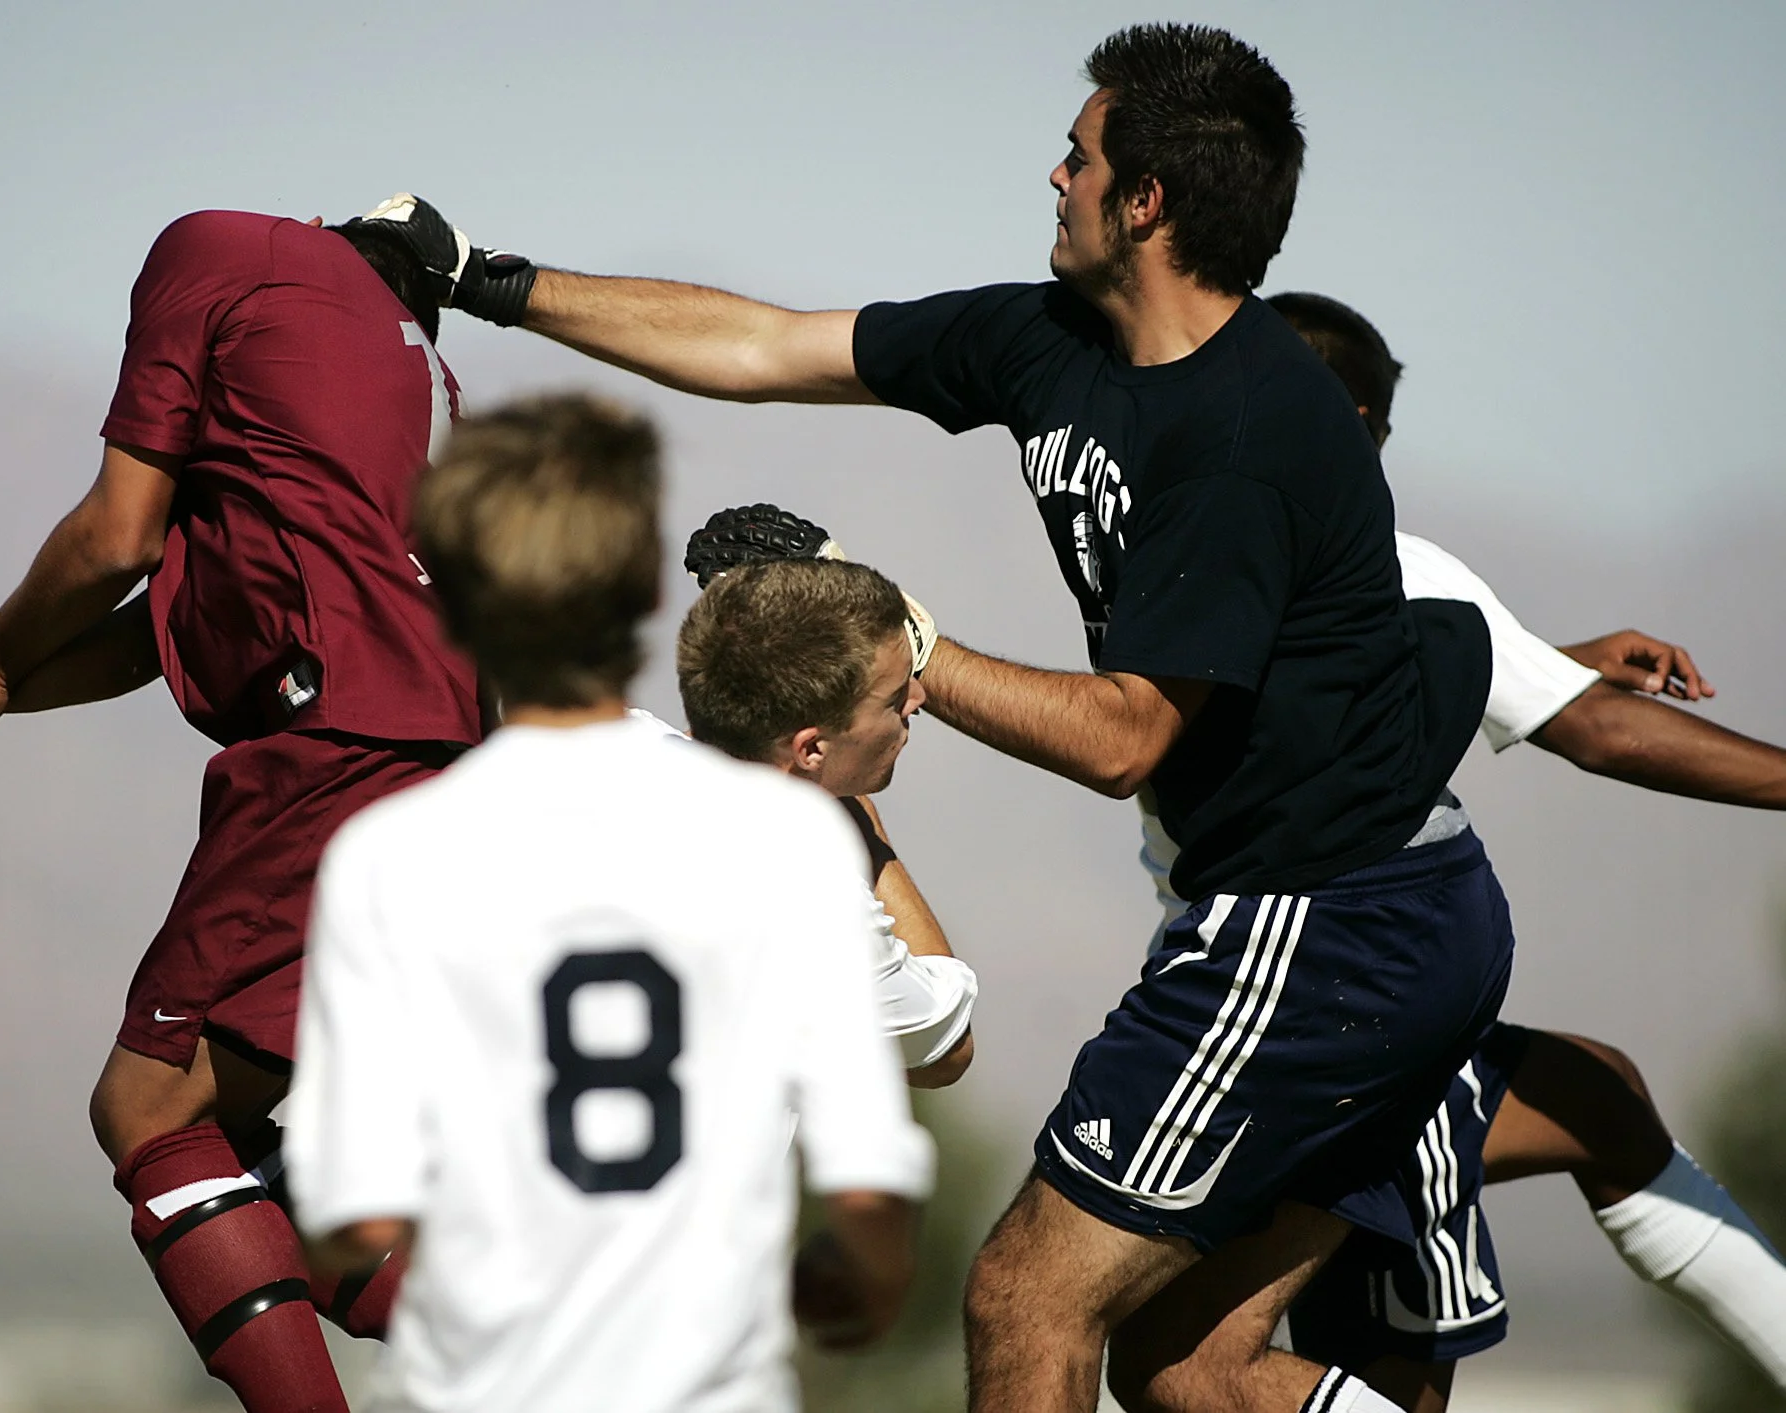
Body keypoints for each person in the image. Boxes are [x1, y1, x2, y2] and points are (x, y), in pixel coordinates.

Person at [368, 24, 1512, 1413]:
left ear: (1143, 201)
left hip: (1328, 920)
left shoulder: (1247, 429)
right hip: (1369, 912)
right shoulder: (1050, 341)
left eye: (1079, 157)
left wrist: (886, 624)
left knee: (1023, 1296)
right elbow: (765, 345)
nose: (1052, 172)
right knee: (1185, 1367)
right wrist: (485, 279)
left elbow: (1120, 739)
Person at [1105, 293, 1786, 1413]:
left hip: (1247, 990)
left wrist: (1536, 655)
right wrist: (1555, 680)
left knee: (1593, 1096)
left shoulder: (1195, 563)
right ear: (1353, 424)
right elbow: (1603, 734)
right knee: (1187, 1369)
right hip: (1336, 1018)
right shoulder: (1383, 564)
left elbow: (1328, 703)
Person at [0, 208, 480, 1413]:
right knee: (233, 1138)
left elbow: (115, 537)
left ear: (331, 235)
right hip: (442, 757)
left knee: (147, 1106)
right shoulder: (421, 379)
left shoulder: (226, 250)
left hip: (332, 744)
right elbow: (167, 625)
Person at [284, 394, 934, 1413]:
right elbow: (872, 1188)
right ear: (646, 598)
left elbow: (348, 1212)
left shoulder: (387, 858)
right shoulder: (792, 845)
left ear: (453, 609)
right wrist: (852, 1277)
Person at [672, 552, 976, 1086]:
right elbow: (945, 1046)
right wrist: (859, 822)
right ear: (811, 750)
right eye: (893, 697)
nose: (918, 699)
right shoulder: (812, 899)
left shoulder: (590, 758)